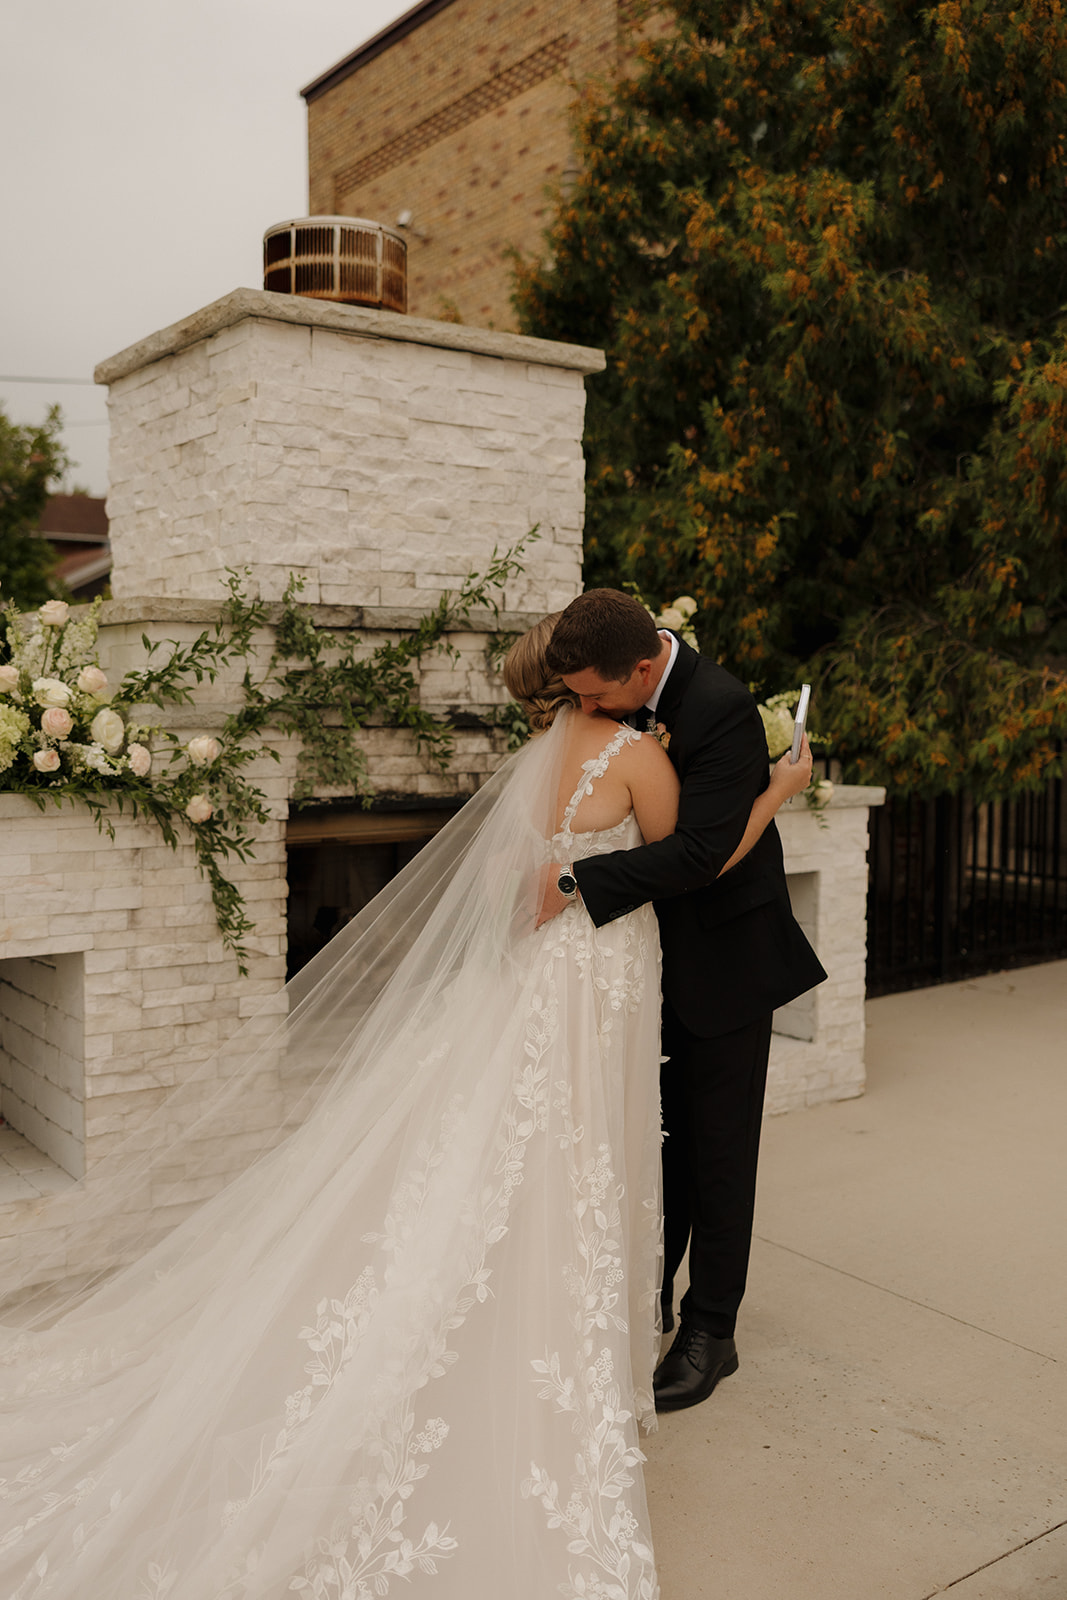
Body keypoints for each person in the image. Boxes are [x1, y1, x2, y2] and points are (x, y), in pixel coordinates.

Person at [0, 618, 808, 1599]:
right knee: (586, 1142)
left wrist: (563, 877)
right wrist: (775, 790)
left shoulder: (535, 763)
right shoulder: (636, 751)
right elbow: (695, 855)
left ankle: (601, 1299)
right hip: (602, 979)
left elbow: (527, 886)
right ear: (588, 684)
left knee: (531, 1139)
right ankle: (580, 1320)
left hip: (542, 973)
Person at [541, 589, 827, 1413]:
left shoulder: (720, 707)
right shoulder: (614, 679)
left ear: (640, 669)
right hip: (640, 958)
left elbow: (702, 854)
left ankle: (712, 1331)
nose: (583, 710)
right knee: (653, 1138)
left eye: (595, 696)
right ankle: (647, 1298)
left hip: (725, 955)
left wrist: (573, 880)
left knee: (718, 1150)